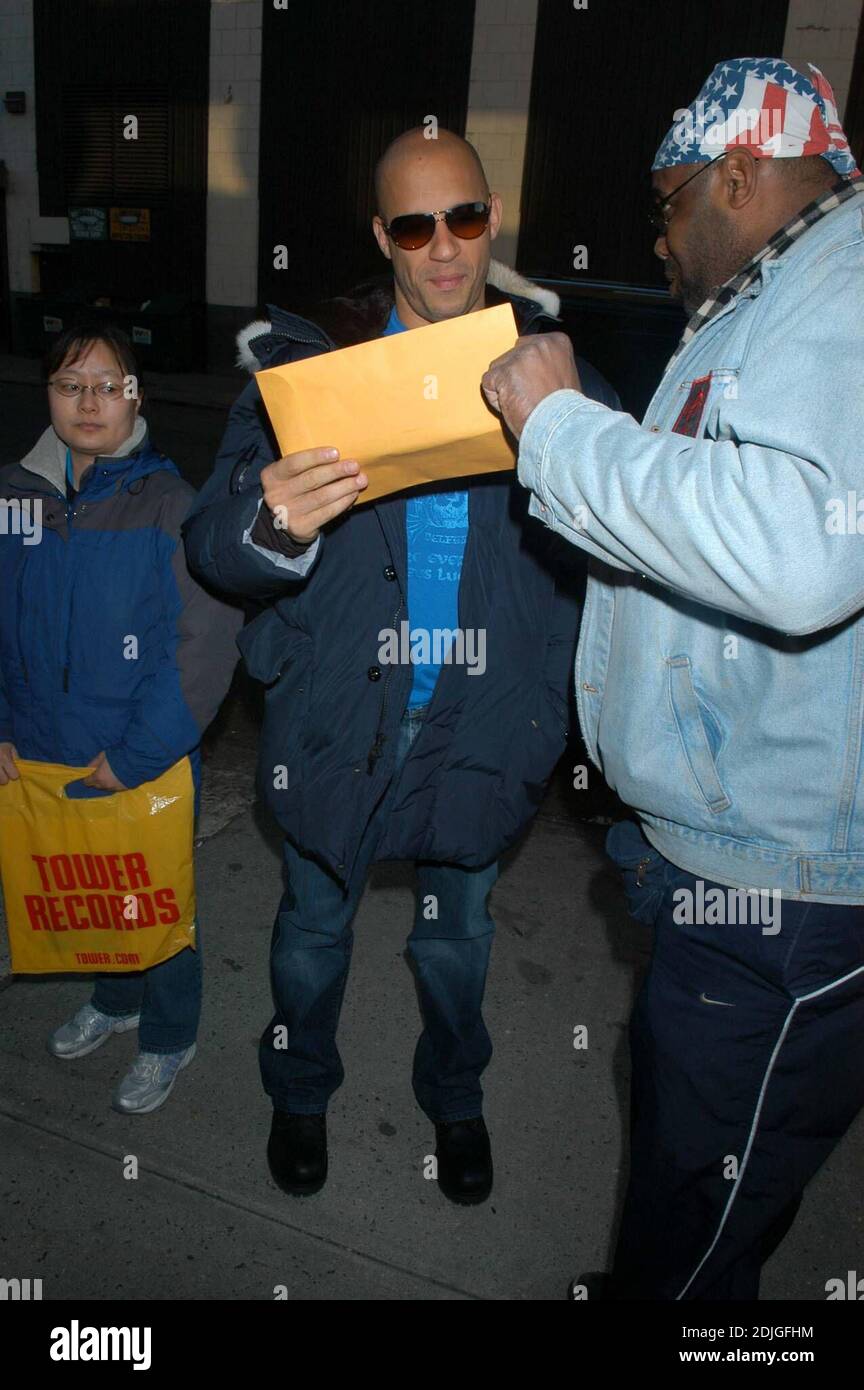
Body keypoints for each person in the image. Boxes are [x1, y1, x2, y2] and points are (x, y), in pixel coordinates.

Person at [481, 58, 864, 1298]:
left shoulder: (846, 286)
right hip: (726, 850)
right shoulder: (784, 293)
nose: (656, 238)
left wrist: (563, 430)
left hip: (787, 885)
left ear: (740, 174)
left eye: (665, 204)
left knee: (691, 1237)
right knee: (689, 1156)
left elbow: (809, 547)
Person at [184, 129, 618, 1202]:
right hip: (340, 723)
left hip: (483, 726)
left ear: (491, 217)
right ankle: (298, 1090)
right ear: (383, 234)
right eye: (415, 226)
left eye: (464, 219)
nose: (443, 250)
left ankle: (455, 1098)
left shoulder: (556, 376)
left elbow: (631, 540)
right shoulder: (305, 369)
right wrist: (271, 523)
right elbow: (211, 544)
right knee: (311, 936)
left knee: (458, 943)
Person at [0, 324, 241, 1114]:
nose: (89, 402)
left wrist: (140, 755)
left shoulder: (170, 501)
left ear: (135, 395)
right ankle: (116, 999)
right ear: (48, 397)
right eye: (71, 386)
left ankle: (169, 1036)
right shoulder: (15, 498)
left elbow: (203, 645)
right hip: (42, 749)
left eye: (109, 385)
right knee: (87, 890)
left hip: (144, 752)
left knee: (156, 903)